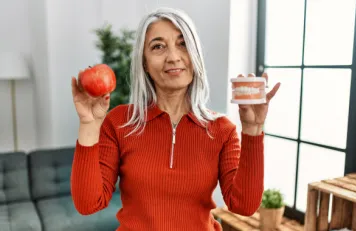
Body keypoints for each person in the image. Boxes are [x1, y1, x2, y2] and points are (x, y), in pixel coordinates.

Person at [70, 7, 280, 231]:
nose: (173, 57)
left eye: (182, 44)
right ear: (145, 63)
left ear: (195, 55)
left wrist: (253, 129)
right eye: (158, 47)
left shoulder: (221, 130)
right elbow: (88, 204)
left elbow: (244, 206)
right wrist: (89, 125)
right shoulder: (120, 122)